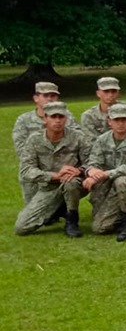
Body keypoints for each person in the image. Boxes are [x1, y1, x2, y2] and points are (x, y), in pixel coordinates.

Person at [83, 103, 126, 241]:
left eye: (124, 119)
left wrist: (104, 174)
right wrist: (92, 171)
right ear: (109, 121)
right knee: (100, 228)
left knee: (122, 181)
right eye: (116, 120)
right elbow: (94, 161)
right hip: (112, 184)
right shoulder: (102, 140)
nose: (120, 123)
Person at [15, 102, 84, 238]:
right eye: (53, 117)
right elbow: (26, 170)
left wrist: (79, 171)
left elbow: (92, 161)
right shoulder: (34, 140)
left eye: (61, 117)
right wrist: (54, 176)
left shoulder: (78, 137)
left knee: (70, 183)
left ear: (66, 118)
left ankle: (72, 220)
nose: (58, 121)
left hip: (74, 183)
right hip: (48, 187)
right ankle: (57, 209)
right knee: (22, 227)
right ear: (45, 118)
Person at [12, 82, 75, 204]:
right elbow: (22, 151)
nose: (50, 99)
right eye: (45, 95)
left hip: (62, 169)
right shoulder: (23, 120)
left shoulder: (68, 117)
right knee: (35, 212)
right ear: (36, 98)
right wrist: (45, 172)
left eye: (53, 96)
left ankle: (67, 209)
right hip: (36, 172)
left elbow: (76, 142)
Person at [79, 77, 123, 159]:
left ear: (118, 93)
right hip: (98, 155)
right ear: (98, 93)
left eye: (113, 91)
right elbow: (91, 142)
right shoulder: (89, 116)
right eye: (106, 91)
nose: (110, 95)